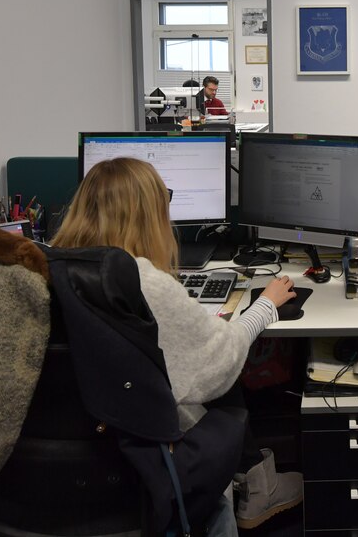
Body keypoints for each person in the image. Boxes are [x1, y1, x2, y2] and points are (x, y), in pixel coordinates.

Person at [51, 157, 303, 531]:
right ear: (148, 215)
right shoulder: (141, 283)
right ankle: (254, 486)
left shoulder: (46, 271)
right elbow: (223, 358)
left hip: (60, 461)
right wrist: (265, 306)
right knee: (222, 387)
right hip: (146, 457)